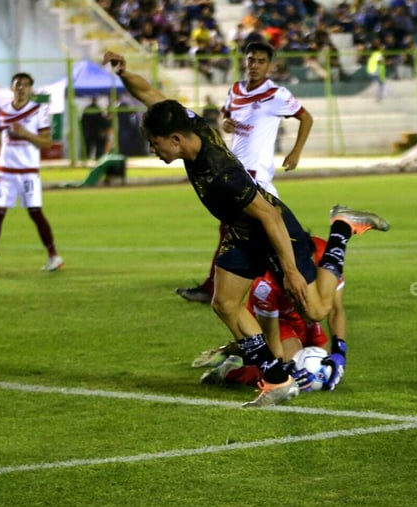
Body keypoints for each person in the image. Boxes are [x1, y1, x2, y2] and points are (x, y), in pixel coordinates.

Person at [102, 50, 389, 406]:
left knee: (315, 310)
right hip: (242, 231)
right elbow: (150, 95)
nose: (153, 149)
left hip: (273, 229)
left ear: (175, 139)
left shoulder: (222, 173)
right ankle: (276, 379)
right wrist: (123, 72)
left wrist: (290, 272)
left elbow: (269, 215)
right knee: (224, 303)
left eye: (155, 143)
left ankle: (342, 228)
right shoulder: (188, 126)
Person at [176, 41, 314, 303]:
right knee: (258, 230)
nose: (255, 65)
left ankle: (217, 288)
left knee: (246, 229)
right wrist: (227, 124)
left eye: (261, 61)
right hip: (234, 170)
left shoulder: (277, 94)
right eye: (251, 60)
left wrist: (296, 152)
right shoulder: (236, 90)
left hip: (257, 174)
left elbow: (306, 118)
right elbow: (228, 118)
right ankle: (293, 276)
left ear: (271, 65)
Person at [195, 236, 348, 391]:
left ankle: (236, 350)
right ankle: (230, 371)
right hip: (274, 320)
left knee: (324, 357)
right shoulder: (265, 285)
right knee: (283, 365)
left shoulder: (326, 262)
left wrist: (340, 352)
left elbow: (335, 309)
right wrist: (286, 371)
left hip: (303, 317)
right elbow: (273, 342)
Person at [0, 72, 64, 273]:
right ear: (12, 88)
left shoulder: (39, 111)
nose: (21, 88)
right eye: (18, 84)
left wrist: (26, 134)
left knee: (35, 212)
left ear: (31, 89)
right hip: (5, 171)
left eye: (25, 85)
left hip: (28, 172)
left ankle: (54, 256)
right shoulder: (2, 111)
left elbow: (47, 141)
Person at [80, 96, 111, 161]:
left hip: (89, 131)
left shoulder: (87, 109)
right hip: (97, 131)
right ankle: (98, 159)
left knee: (88, 148)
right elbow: (102, 120)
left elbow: (83, 121)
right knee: (99, 148)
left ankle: (85, 159)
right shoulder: (98, 109)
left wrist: (84, 131)